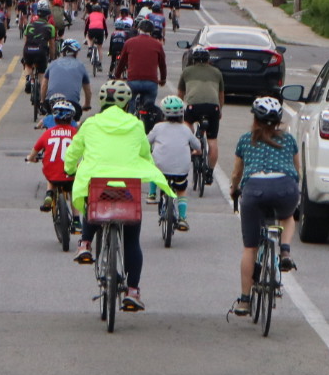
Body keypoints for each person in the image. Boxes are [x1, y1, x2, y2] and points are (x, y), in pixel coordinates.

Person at [64, 80, 175, 314]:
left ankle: (85, 243)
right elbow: (145, 154)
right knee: (132, 241)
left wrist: (69, 169)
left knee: (93, 201)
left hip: (100, 187)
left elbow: (73, 152)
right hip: (127, 189)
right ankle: (133, 291)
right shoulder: (135, 124)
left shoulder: (90, 123)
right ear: (126, 104)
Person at [229, 96, 302, 317]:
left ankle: (244, 300)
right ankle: (285, 251)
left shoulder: (245, 140)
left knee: (250, 248)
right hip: (285, 188)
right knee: (288, 216)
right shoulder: (289, 140)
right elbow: (297, 170)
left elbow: (236, 173)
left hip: (255, 190)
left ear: (255, 119)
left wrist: (234, 189)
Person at [147, 95, 201, 227]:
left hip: (161, 169)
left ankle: (152, 194)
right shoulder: (186, 129)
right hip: (180, 170)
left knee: (153, 167)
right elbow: (198, 146)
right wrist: (196, 151)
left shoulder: (158, 127)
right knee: (181, 191)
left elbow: (146, 141)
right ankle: (182, 218)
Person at [177, 47, 224, 184]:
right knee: (212, 140)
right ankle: (210, 173)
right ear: (208, 59)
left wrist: (180, 110)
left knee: (187, 124)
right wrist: (219, 110)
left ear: (193, 59)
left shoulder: (187, 71)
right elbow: (221, 95)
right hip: (213, 108)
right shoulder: (217, 72)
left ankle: (193, 145)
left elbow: (180, 94)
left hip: (194, 107)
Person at [28, 98, 80, 215]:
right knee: (72, 191)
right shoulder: (75, 133)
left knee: (51, 173)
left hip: (52, 173)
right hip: (69, 174)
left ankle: (49, 194)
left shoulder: (48, 133)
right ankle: (76, 220)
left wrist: (30, 158)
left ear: (55, 118)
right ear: (71, 118)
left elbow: (35, 150)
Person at [112, 18, 167, 121]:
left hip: (133, 81)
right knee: (149, 107)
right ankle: (147, 119)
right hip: (151, 82)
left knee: (130, 102)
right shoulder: (157, 45)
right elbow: (162, 64)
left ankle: (130, 118)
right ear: (151, 31)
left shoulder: (129, 42)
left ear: (138, 29)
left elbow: (122, 62)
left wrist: (117, 76)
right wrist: (163, 79)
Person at [40, 38, 92, 119]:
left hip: (52, 102)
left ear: (62, 52)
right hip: (72, 104)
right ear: (76, 53)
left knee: (49, 120)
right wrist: (87, 104)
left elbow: (44, 86)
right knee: (75, 123)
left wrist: (42, 101)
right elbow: (88, 90)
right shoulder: (80, 66)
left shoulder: (53, 64)